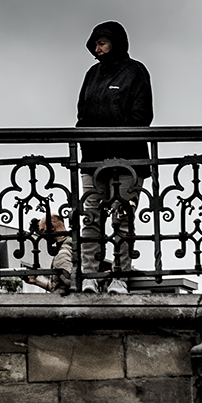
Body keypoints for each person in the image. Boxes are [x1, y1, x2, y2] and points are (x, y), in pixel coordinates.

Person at [75, 21, 153, 295]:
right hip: (93, 160)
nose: (97, 50)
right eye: (94, 45)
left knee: (122, 219)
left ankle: (120, 277)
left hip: (127, 160)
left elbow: (142, 116)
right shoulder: (91, 74)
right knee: (90, 219)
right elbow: (82, 114)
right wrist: (87, 137)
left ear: (116, 43)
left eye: (102, 43)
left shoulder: (135, 72)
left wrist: (111, 132)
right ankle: (90, 277)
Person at [26, 213, 76, 293]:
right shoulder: (71, 246)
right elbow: (58, 288)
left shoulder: (63, 253)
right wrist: (36, 281)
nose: (42, 235)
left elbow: (74, 283)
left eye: (42, 230)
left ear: (52, 227)